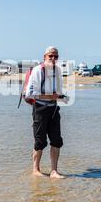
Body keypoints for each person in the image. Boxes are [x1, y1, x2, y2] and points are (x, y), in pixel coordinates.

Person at [25, 46, 67, 179]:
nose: (53, 58)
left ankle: (54, 171)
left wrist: (62, 97)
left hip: (54, 108)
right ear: (45, 57)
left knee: (56, 140)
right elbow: (30, 94)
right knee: (40, 141)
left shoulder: (58, 70)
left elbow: (58, 91)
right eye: (51, 56)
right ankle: (36, 170)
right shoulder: (38, 70)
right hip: (40, 109)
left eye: (56, 56)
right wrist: (50, 96)